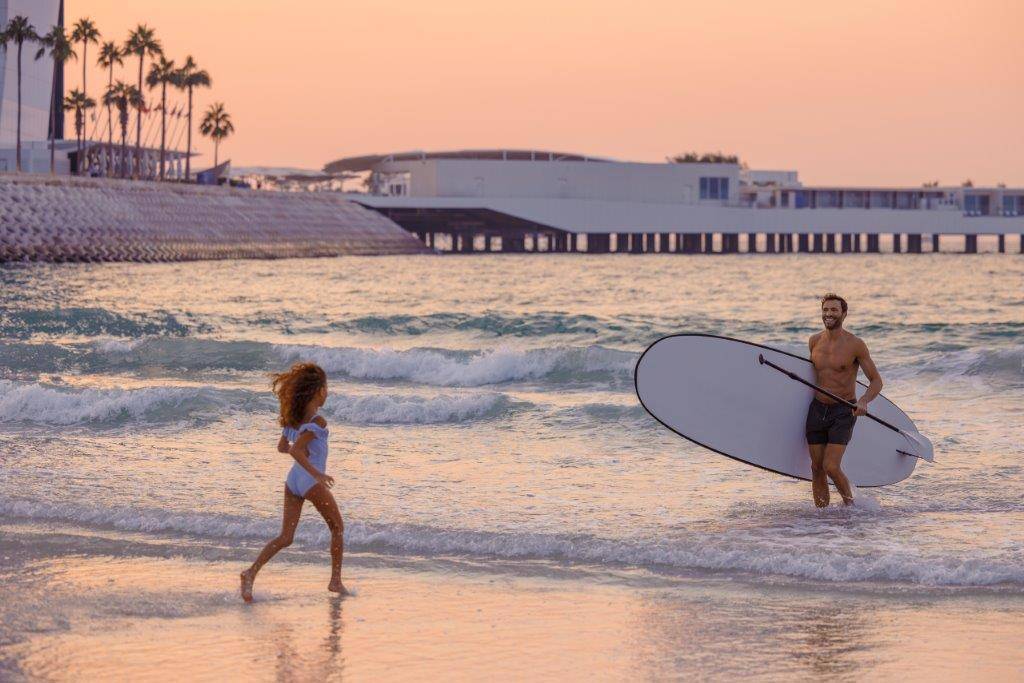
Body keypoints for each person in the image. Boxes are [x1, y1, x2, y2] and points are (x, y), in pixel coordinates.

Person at [240, 362, 347, 601]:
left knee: (286, 537)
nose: (327, 392)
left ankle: (250, 573)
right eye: (326, 387)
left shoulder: (293, 420)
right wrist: (316, 473)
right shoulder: (318, 422)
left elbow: (282, 447)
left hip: (294, 481)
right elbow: (295, 450)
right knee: (337, 527)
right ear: (318, 391)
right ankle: (335, 582)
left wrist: (300, 454)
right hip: (309, 481)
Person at [806, 294, 883, 506]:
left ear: (844, 314)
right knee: (816, 467)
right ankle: (822, 515)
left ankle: (851, 507)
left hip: (843, 410)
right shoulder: (814, 341)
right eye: (825, 310)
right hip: (817, 409)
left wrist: (864, 401)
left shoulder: (855, 345)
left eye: (834, 310)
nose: (828, 314)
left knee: (831, 466)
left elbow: (876, 381)